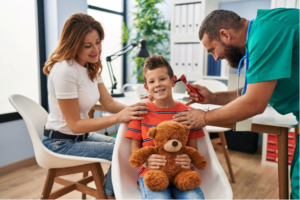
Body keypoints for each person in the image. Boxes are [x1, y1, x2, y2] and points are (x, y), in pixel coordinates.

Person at [172, 9, 300, 199]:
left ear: (225, 34)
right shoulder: (262, 32)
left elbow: (254, 103)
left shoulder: (267, 34)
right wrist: (214, 98)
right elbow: (251, 91)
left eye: (212, 50)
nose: (215, 58)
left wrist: (204, 117)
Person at [42, 13, 148, 199]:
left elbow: (109, 103)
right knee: (123, 151)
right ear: (73, 44)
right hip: (60, 143)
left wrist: (138, 110)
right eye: (87, 45)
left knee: (128, 145)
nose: (96, 50)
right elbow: (74, 124)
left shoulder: (90, 66)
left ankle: (116, 192)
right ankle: (109, 195)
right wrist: (119, 117)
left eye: (98, 42)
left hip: (81, 137)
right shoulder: (65, 71)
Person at [125, 55, 206, 200]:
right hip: (152, 173)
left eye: (162, 79)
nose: (157, 84)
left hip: (183, 172)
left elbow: (193, 149)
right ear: (146, 87)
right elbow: (134, 148)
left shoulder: (188, 114)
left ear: (173, 81)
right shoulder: (141, 113)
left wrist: (189, 159)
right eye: (152, 81)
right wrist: (146, 162)